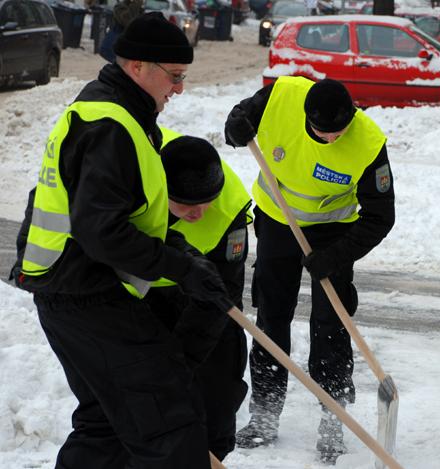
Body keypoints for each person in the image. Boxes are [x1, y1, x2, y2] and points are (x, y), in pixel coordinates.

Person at [11, 13, 232, 469]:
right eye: (174, 77)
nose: (179, 88)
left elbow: (120, 213)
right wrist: (181, 269)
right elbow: (101, 232)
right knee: (169, 422)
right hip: (88, 297)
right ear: (137, 67)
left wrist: (182, 253)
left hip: (74, 292)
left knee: (107, 424)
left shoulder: (112, 112)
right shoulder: (111, 124)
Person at [224, 76, 395, 463]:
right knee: (271, 316)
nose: (334, 139)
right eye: (324, 132)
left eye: (340, 131)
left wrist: (336, 256)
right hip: (276, 221)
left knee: (332, 324)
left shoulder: (368, 143)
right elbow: (239, 123)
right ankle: (265, 416)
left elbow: (381, 216)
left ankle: (333, 419)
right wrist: (235, 128)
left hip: (334, 235)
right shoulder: (281, 96)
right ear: (306, 117)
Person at [145, 132, 253, 462]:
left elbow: (225, 290)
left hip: (206, 298)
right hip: (143, 294)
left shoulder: (229, 204)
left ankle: (212, 450)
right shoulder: (136, 180)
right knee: (145, 407)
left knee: (216, 397)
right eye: (188, 206)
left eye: (207, 201)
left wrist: (183, 362)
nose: (200, 213)